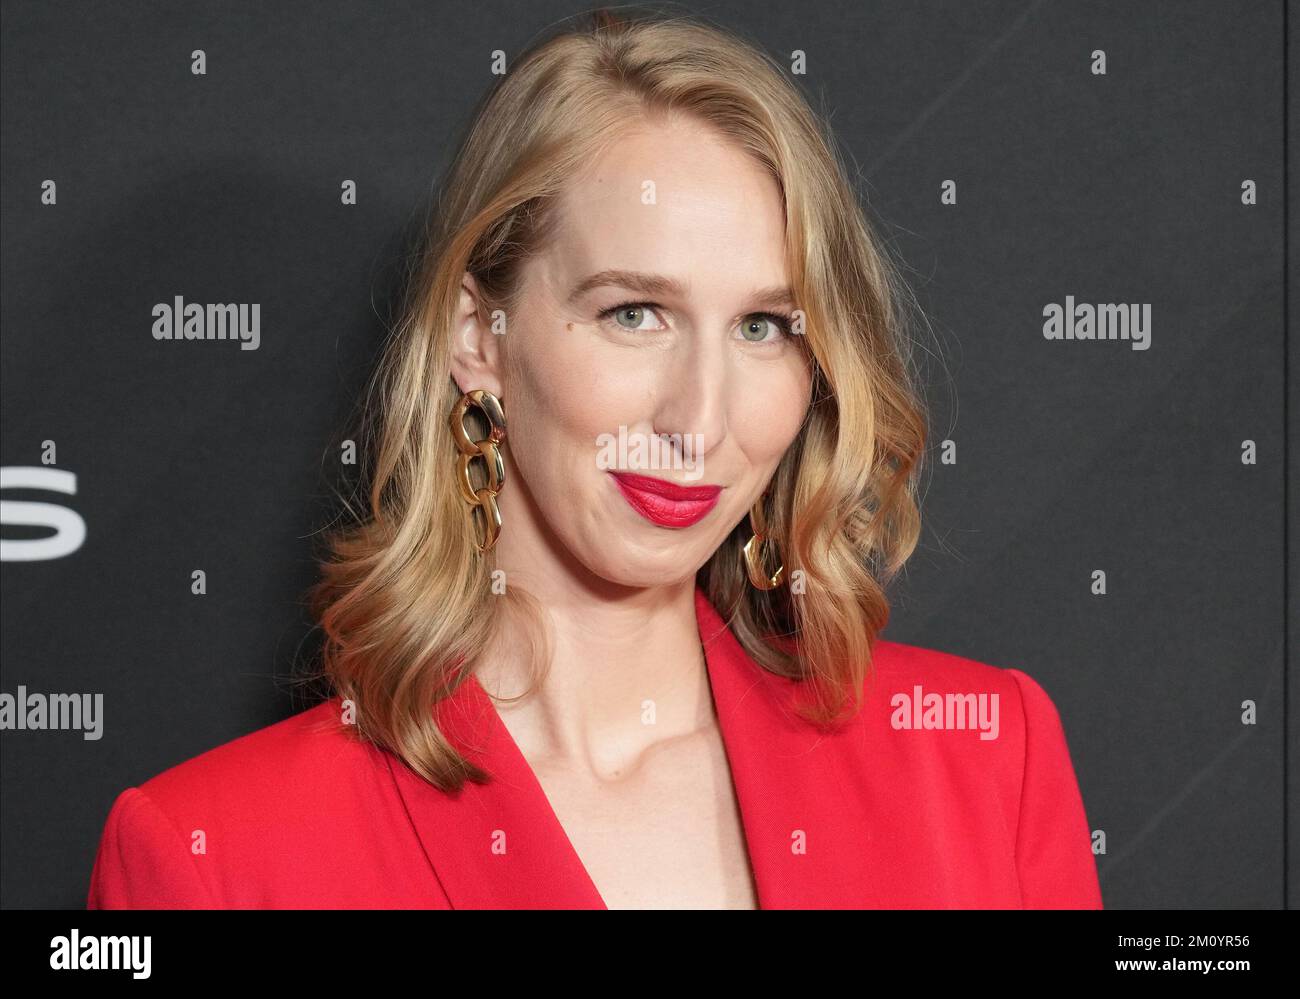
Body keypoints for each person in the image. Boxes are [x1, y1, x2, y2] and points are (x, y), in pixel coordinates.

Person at [86, 7, 1102, 910]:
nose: (698, 420)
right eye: (633, 313)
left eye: (763, 328)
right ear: (476, 338)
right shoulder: (216, 860)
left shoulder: (976, 761)